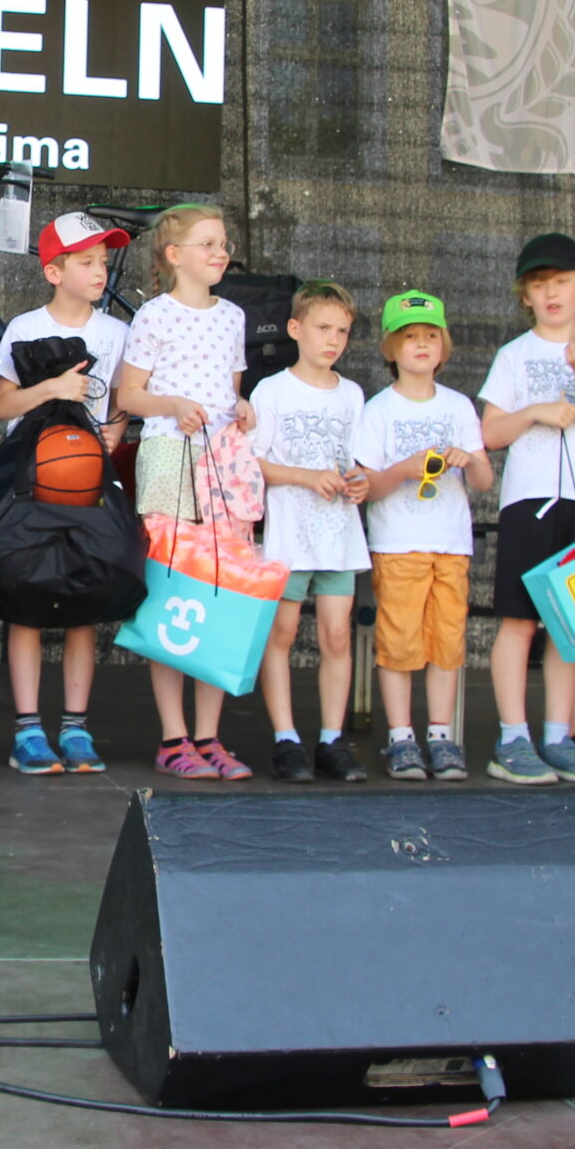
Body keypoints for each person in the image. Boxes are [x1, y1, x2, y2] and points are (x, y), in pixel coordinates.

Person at [112, 203, 258, 780]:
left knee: (220, 591)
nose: (221, 253)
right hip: (170, 457)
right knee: (175, 593)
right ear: (174, 256)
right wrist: (172, 405)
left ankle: (209, 736)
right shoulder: (154, 315)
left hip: (223, 463)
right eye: (208, 244)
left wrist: (241, 407)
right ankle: (173, 737)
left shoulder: (233, 317)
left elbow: (230, 390)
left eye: (224, 244)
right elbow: (129, 395)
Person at [477, 233, 575, 785]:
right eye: (540, 286)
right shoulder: (513, 355)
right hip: (528, 500)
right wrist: (535, 411)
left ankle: (559, 735)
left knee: (572, 624)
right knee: (519, 621)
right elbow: (490, 432)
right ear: (526, 296)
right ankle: (513, 737)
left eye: (562, 282)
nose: (552, 293)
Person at [0, 210, 131, 775]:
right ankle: (27, 730)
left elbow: (121, 402)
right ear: (53, 271)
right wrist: (50, 388)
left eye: (103, 262)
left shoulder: (117, 333)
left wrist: (110, 439)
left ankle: (75, 727)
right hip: (30, 486)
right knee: (25, 602)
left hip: (89, 486)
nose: (99, 272)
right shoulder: (24, 328)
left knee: (82, 604)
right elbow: (1, 405)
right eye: (86, 262)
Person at [350, 291, 491, 782]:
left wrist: (469, 459)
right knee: (399, 641)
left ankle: (441, 735)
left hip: (451, 543)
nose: (422, 344)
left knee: (447, 640)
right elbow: (367, 487)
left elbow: (484, 481)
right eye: (410, 336)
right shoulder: (379, 409)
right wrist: (405, 469)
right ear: (390, 348)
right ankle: (400, 736)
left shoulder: (459, 406)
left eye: (431, 335)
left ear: (444, 345)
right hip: (398, 543)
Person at [249, 282, 373, 783]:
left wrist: (359, 481)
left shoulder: (353, 394)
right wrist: (304, 477)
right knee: (280, 634)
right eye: (323, 328)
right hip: (289, 537)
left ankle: (331, 738)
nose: (333, 340)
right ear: (296, 329)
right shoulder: (272, 390)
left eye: (342, 331)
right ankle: (285, 738)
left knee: (337, 636)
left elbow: (357, 460)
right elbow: (253, 463)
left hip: (339, 536)